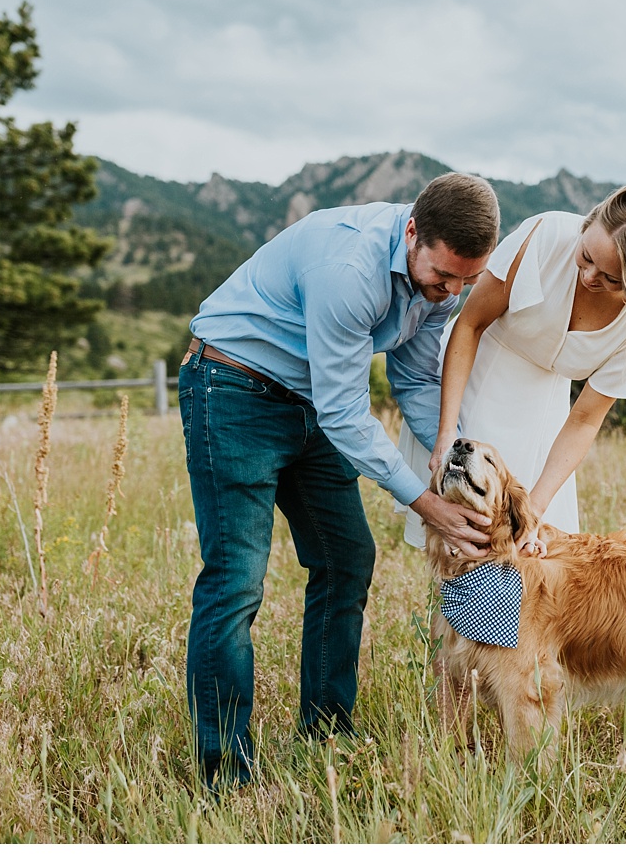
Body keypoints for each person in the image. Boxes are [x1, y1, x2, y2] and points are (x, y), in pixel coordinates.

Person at [179, 172, 501, 790]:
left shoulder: (442, 282)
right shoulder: (349, 267)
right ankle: (225, 772)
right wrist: (426, 501)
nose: (453, 293)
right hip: (233, 390)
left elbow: (413, 379)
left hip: (307, 400)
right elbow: (346, 412)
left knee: (348, 558)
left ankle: (326, 732)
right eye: (443, 279)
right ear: (413, 231)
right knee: (237, 580)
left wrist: (450, 448)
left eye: (468, 281)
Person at [399, 180, 626, 546]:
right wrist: (446, 432)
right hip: (473, 376)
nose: (589, 277)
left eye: (611, 279)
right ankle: (447, 604)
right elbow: (470, 325)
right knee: (457, 528)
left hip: (544, 413)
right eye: (586, 256)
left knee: (529, 546)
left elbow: (584, 420)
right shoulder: (546, 238)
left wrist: (535, 506)